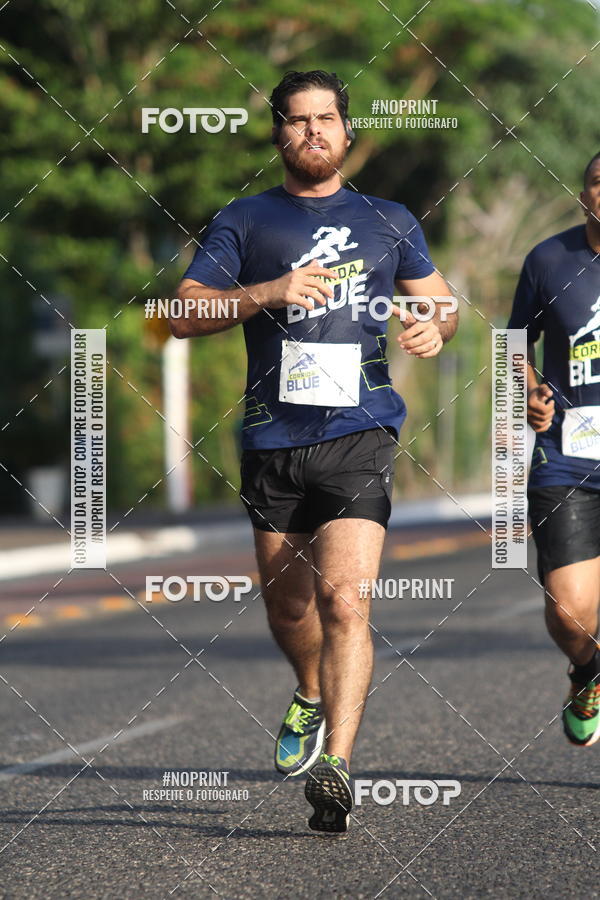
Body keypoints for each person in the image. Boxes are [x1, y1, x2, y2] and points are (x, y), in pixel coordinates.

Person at [171, 70, 457, 833]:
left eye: (325, 119)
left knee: (345, 600)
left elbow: (442, 302)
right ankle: (309, 689)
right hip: (273, 438)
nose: (313, 132)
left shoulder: (389, 218)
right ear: (278, 134)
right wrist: (268, 292)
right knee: (289, 605)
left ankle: (339, 765)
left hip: (360, 433)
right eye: (297, 121)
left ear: (347, 129)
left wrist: (434, 326)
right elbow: (182, 312)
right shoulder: (245, 219)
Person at [508, 151, 600, 747]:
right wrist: (529, 392)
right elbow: (513, 345)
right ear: (584, 193)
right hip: (567, 457)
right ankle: (588, 671)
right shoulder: (548, 259)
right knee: (569, 611)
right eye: (599, 182)